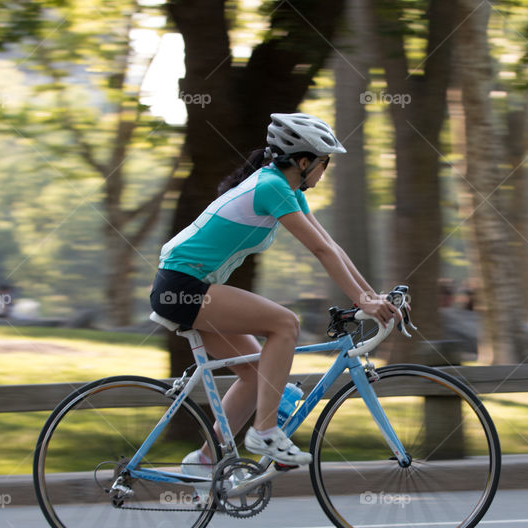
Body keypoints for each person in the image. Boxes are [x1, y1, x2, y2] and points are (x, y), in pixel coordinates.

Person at [149, 113, 400, 479]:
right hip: (181, 288)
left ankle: (202, 463)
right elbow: (320, 251)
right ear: (304, 161)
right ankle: (265, 432)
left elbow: (331, 246)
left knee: (254, 376)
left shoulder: (286, 189)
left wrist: (370, 295)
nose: (324, 172)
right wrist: (364, 301)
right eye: (324, 163)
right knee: (285, 323)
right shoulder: (271, 187)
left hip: (188, 286)